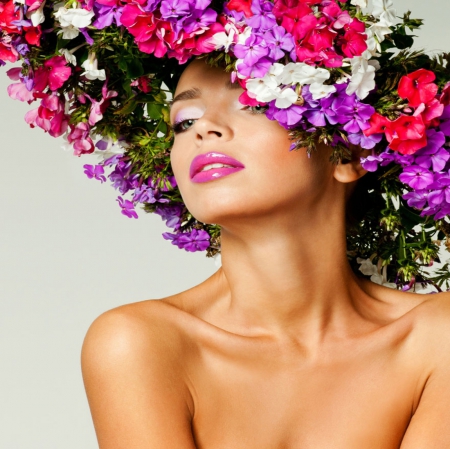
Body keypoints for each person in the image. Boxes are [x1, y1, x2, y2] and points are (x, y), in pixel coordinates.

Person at [81, 59, 450, 449]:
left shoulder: (437, 338)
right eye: (184, 122)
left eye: (255, 102)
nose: (204, 129)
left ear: (348, 154)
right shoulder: (141, 344)